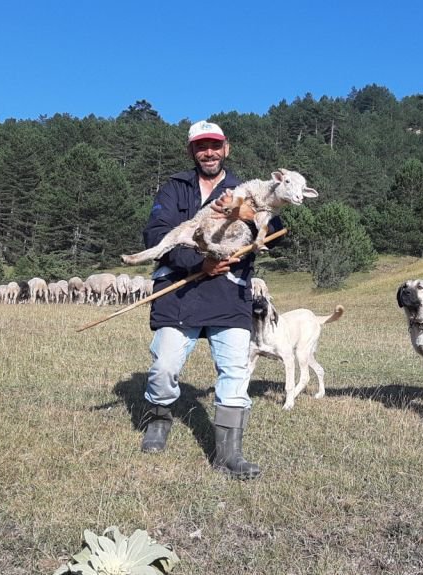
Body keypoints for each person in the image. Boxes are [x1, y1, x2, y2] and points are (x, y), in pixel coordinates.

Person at [138, 120, 277, 480]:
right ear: (192, 152)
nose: (209, 152)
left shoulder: (245, 190)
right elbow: (156, 234)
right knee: (164, 366)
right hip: (180, 288)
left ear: (226, 148)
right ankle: (158, 419)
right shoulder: (174, 189)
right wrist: (200, 262)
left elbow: (275, 232)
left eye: (215, 145)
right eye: (202, 146)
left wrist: (249, 216)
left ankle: (229, 455)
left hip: (228, 293)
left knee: (234, 370)